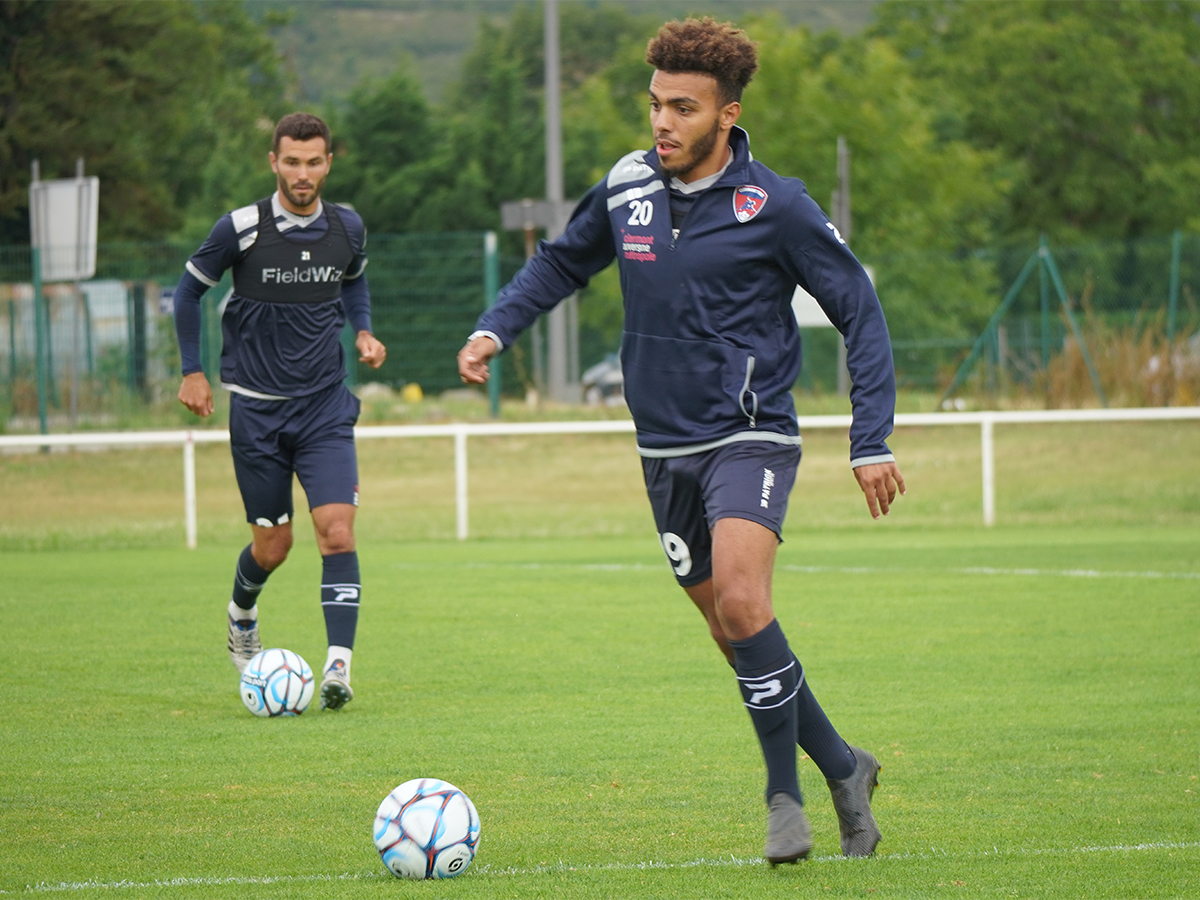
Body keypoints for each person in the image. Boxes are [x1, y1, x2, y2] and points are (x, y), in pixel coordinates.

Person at [457, 18, 905, 863]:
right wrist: (496, 328)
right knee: (735, 629)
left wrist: (870, 438)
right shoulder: (627, 185)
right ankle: (847, 765)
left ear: (726, 116)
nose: (662, 122)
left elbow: (860, 312)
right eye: (656, 103)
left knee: (742, 601)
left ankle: (785, 801)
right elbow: (561, 262)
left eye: (684, 108)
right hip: (661, 448)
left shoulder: (776, 204)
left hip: (750, 434)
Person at [174, 112, 386, 712]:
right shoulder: (240, 229)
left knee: (336, 531)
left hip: (324, 406)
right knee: (274, 548)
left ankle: (338, 668)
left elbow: (354, 282)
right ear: (274, 162)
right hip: (258, 414)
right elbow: (189, 290)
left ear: (328, 164)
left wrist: (364, 331)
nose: (302, 173)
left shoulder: (348, 227)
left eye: (313, 162)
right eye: (291, 162)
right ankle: (242, 611)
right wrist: (192, 369)